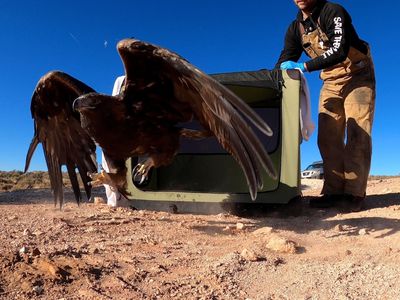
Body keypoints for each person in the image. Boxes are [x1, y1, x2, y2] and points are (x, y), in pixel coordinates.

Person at [276, 0, 376, 211]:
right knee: (328, 137)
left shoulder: (333, 11)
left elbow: (339, 49)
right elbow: (286, 58)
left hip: (358, 76)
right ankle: (333, 192)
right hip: (330, 81)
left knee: (357, 132)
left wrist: (303, 66)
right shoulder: (296, 28)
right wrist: (272, 77)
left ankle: (353, 194)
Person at [102, 75, 126, 207]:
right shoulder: (121, 80)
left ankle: (123, 200)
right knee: (108, 160)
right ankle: (114, 200)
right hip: (118, 128)